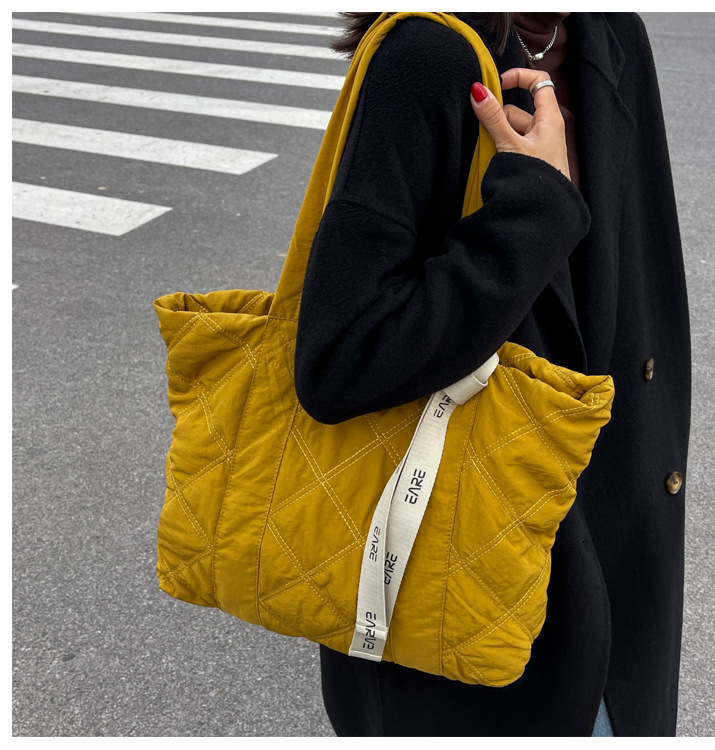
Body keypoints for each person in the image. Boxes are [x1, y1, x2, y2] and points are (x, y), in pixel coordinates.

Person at [294, 12, 691, 737]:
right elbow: (340, 358)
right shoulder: (426, 54)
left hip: (620, 570)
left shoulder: (611, 34)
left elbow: (645, 297)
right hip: (463, 593)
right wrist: (535, 207)